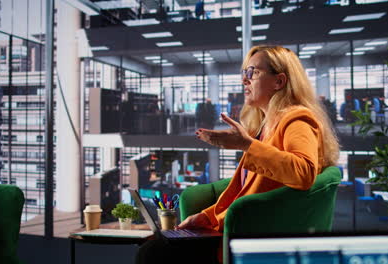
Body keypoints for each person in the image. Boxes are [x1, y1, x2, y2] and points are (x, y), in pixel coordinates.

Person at [134, 45, 340, 264]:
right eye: (244, 73)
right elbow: (242, 191)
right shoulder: (266, 125)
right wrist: (204, 217)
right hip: (236, 225)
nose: (245, 80)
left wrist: (247, 145)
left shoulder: (296, 119)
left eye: (253, 73)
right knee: (154, 248)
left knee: (152, 253)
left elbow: (304, 172)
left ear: (279, 82)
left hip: (255, 235)